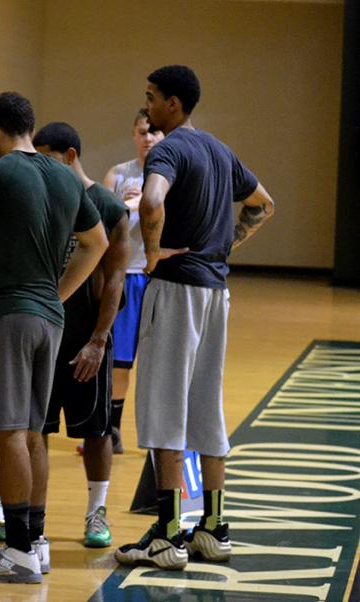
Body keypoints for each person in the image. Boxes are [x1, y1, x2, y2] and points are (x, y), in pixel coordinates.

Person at [114, 65, 274, 570]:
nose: (148, 106)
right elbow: (263, 205)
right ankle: (213, 529)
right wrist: (223, 246)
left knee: (164, 407)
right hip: (216, 292)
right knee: (207, 406)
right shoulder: (220, 150)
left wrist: (155, 252)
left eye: (152, 98)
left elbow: (154, 200)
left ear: (173, 104)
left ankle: (166, 534)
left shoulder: (168, 150)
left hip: (177, 288)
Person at [0, 92, 108, 584]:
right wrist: (57, 295)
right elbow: (96, 243)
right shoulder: (62, 174)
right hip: (48, 319)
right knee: (33, 431)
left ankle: (16, 552)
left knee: (8, 432)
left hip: (5, 314)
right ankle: (34, 544)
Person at [32, 122, 130, 548]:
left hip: (85, 338)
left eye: (47, 158)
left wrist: (98, 339)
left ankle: (96, 513)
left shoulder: (108, 206)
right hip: (42, 333)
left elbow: (115, 280)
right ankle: (27, 513)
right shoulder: (41, 199)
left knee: (95, 430)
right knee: (34, 428)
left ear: (70, 155)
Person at [102, 108, 163, 454]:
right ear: (134, 135)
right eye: (143, 132)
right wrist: (120, 209)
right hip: (126, 276)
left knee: (157, 362)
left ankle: (159, 434)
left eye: (154, 132)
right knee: (120, 360)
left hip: (156, 277)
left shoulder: (170, 175)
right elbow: (99, 222)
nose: (148, 138)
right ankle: (112, 427)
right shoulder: (118, 174)